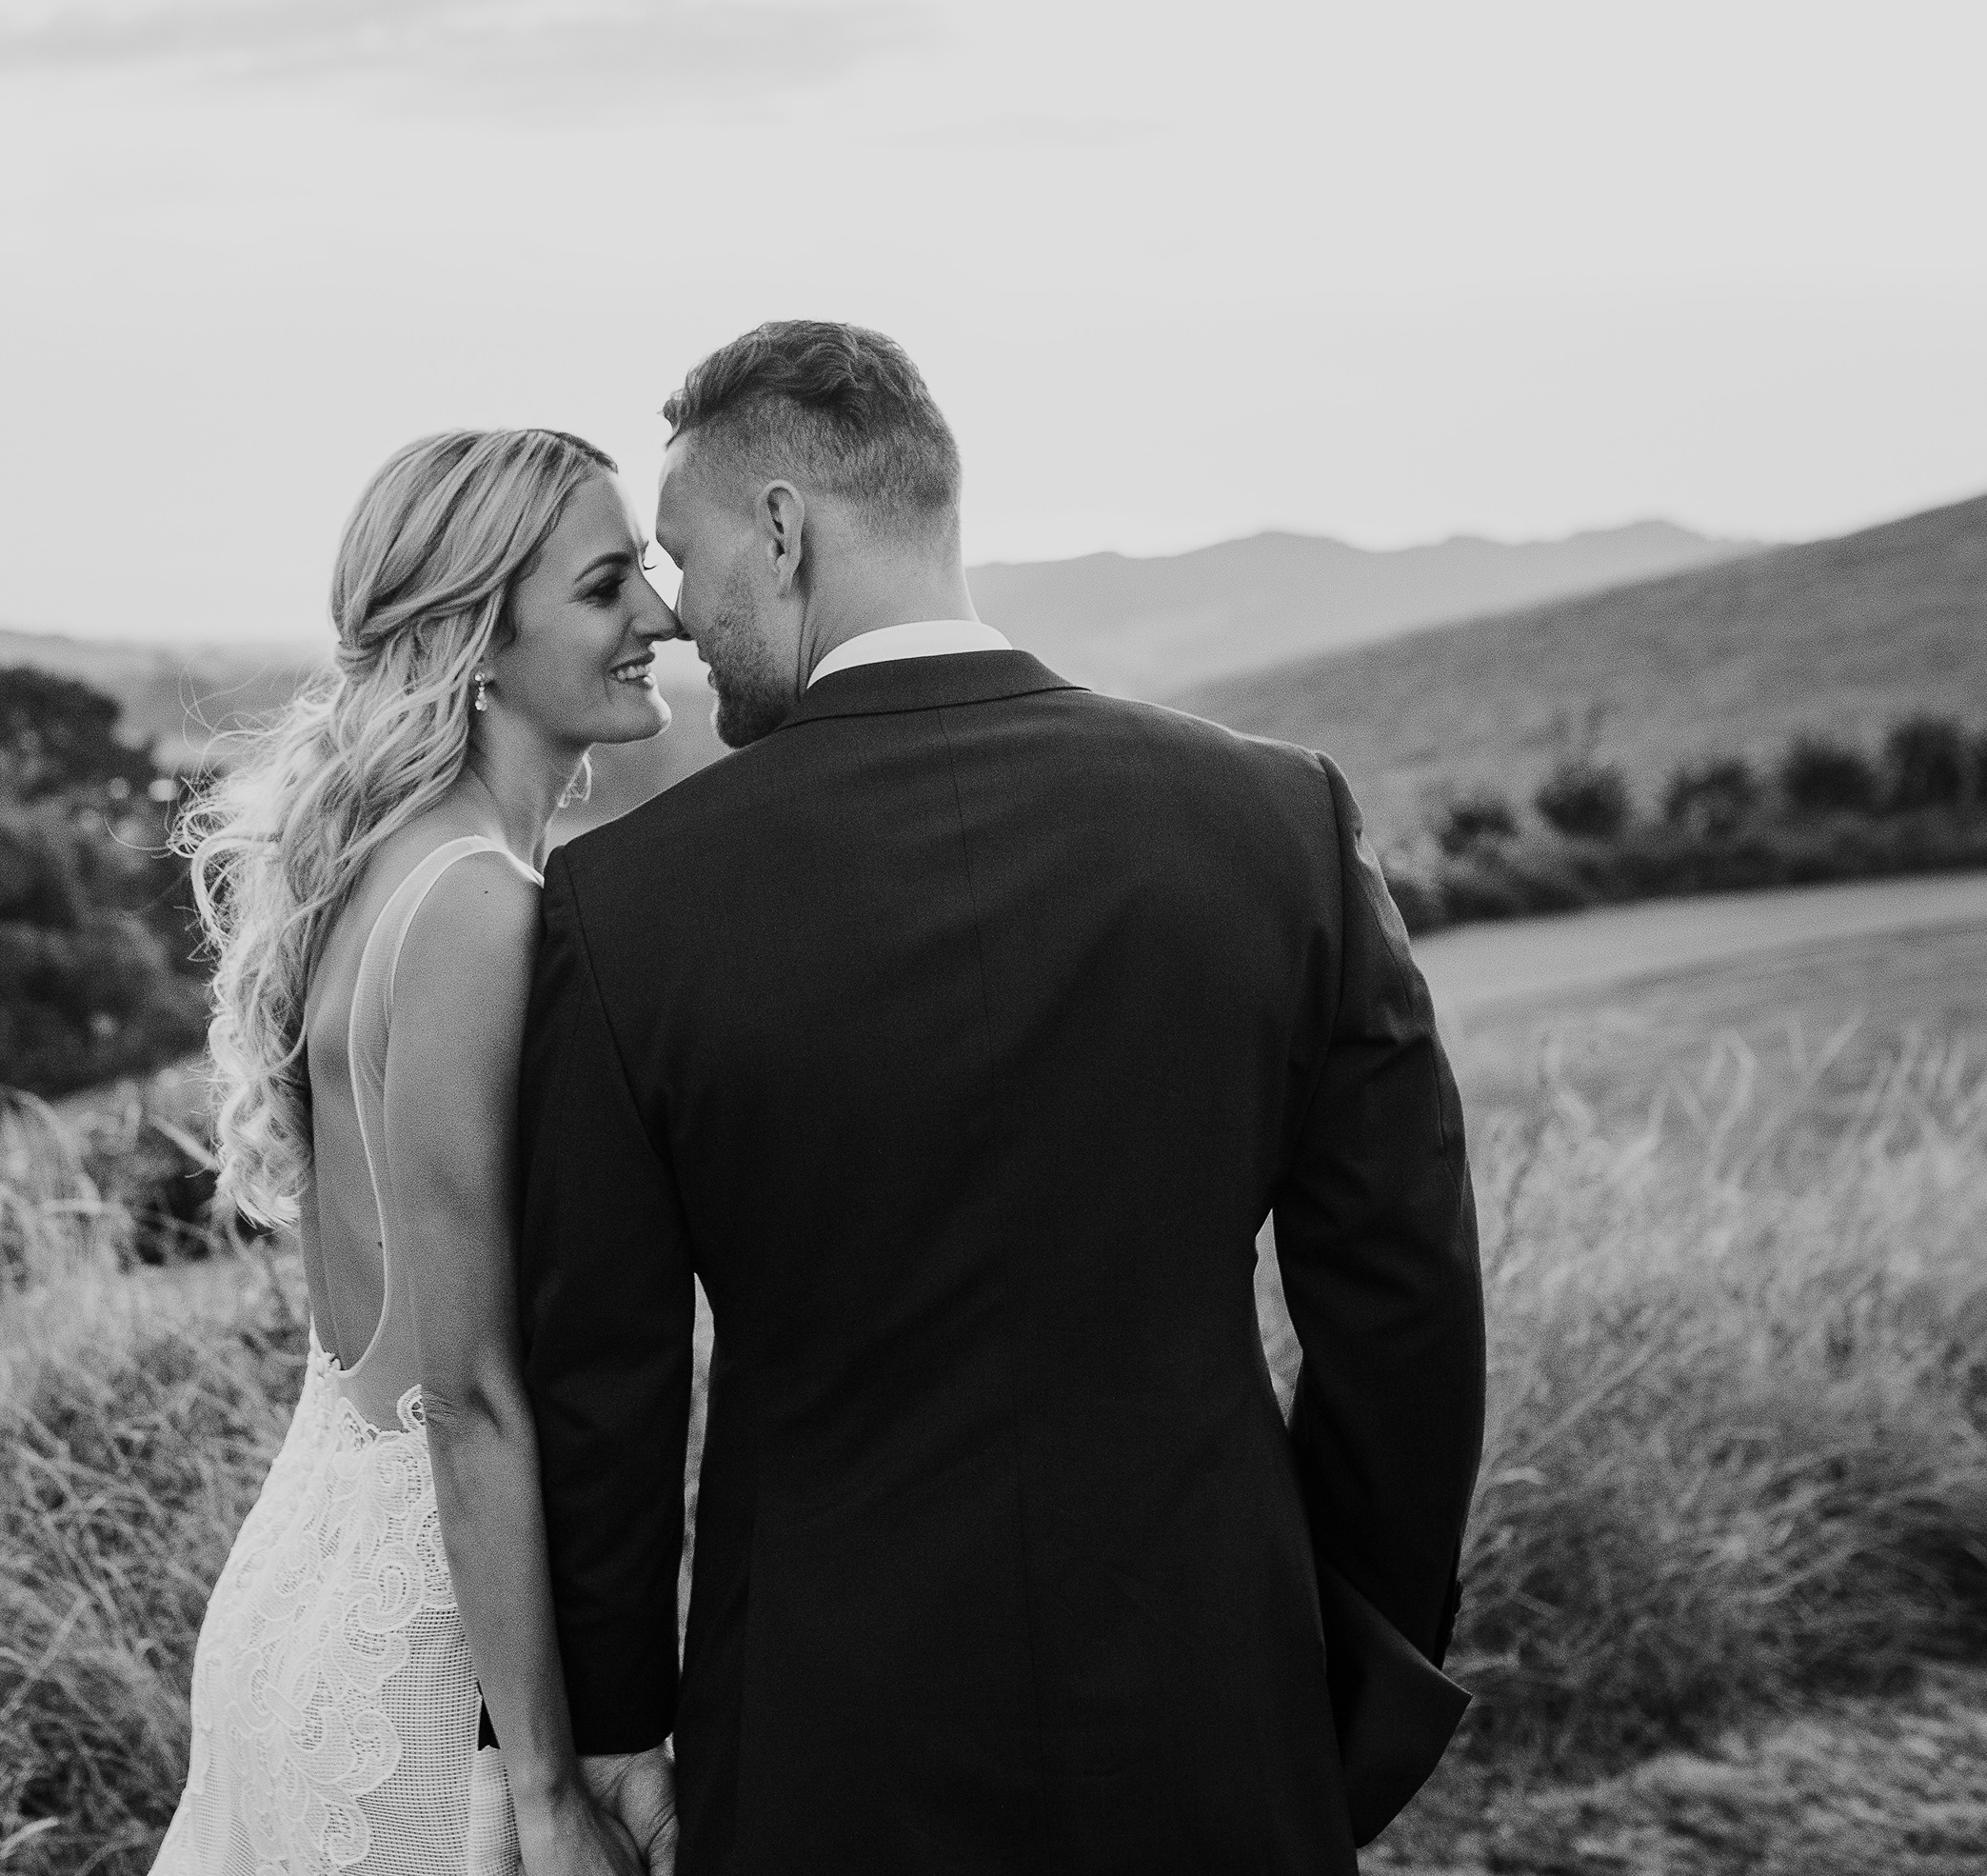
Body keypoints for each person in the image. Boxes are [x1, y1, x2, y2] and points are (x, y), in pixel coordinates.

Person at [518, 320, 1488, 1872]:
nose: (680, 616)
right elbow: (1405, 1300)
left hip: (822, 1745)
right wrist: (1342, 1664)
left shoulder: (625, 907)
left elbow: (601, 1387)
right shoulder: (1276, 823)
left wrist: (620, 1726)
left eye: (687, 560)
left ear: (785, 528)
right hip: (1219, 1703)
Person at [154, 427, 688, 1876]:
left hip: (311, 1578)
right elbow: (465, 1399)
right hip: (421, 1675)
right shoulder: (474, 908)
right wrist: (546, 1791)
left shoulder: (381, 867)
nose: (662, 613)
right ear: (476, 638)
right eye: (606, 587)